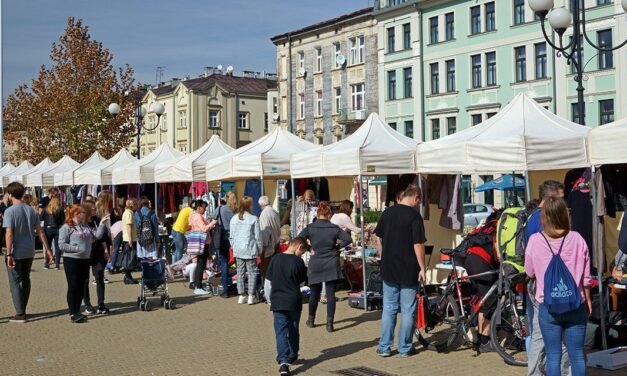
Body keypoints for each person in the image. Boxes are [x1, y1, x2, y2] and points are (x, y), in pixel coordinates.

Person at [524, 197, 591, 376]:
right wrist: (588, 300)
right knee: (577, 355)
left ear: (544, 216)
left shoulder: (535, 240)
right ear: (564, 214)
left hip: (548, 306)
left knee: (553, 356)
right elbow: (586, 277)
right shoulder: (577, 239)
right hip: (576, 304)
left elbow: (529, 272)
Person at [525, 180, 571, 376]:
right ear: (550, 198)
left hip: (538, 283)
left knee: (539, 334)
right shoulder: (540, 220)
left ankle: (536, 371)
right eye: (560, 198)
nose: (564, 204)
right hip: (547, 284)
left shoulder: (532, 217)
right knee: (557, 335)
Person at [374, 184, 426, 357]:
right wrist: (423, 268)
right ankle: (404, 348)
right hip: (409, 269)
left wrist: (384, 256)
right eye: (419, 200)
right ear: (416, 197)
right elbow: (418, 244)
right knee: (407, 310)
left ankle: (384, 347)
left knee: (389, 308)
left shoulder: (387, 212)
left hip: (389, 268)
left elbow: (378, 237)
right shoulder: (414, 216)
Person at [3, 182, 53, 323]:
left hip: (16, 251)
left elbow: (9, 233)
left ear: (10, 194)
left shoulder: (9, 211)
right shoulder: (31, 210)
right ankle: (22, 309)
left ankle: (20, 313)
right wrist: (48, 250)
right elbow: (40, 230)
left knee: (14, 281)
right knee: (25, 279)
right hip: (29, 250)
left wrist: (8, 254)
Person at [298, 202, 352, 333]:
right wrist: (336, 248)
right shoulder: (334, 228)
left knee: (314, 294)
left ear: (317, 214)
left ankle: (311, 320)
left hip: (315, 261)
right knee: (330, 294)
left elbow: (299, 239)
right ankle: (330, 324)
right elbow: (348, 239)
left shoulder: (310, 227)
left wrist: (309, 248)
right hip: (331, 260)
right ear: (329, 214)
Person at [58, 204, 110, 323]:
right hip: (72, 260)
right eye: (83, 212)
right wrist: (75, 249)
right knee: (73, 286)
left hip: (84, 260)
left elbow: (96, 237)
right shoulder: (66, 228)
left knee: (82, 285)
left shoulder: (85, 227)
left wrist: (102, 224)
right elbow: (61, 245)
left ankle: (78, 310)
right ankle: (73, 312)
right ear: (76, 213)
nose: (85, 214)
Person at [267, 237, 308, 376]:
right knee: (293, 328)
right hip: (293, 300)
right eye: (301, 252)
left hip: (278, 301)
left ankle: (283, 362)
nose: (301, 255)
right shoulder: (299, 262)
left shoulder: (275, 259)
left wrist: (269, 300)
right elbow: (302, 284)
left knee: (280, 332)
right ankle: (293, 354)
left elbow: (268, 283)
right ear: (299, 247)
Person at [229, 196, 262, 305]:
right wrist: (259, 249)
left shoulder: (234, 218)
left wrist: (233, 246)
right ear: (250, 205)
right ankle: (251, 296)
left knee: (240, 272)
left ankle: (242, 295)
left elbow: (231, 236)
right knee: (252, 273)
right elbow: (258, 237)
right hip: (250, 248)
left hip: (238, 249)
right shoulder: (253, 219)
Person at [82, 201, 110, 315]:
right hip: (85, 254)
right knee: (84, 280)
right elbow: (95, 236)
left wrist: (106, 250)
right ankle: (87, 304)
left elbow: (102, 237)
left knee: (99, 276)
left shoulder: (97, 220)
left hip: (97, 252)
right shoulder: (82, 223)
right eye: (93, 209)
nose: (95, 210)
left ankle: (101, 304)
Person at [211, 191, 237, 298]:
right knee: (239, 263)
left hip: (223, 238)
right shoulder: (235, 209)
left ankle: (225, 289)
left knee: (224, 263)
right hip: (235, 238)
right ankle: (240, 287)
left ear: (226, 198)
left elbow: (213, 217)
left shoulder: (221, 208)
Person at [189, 200, 215, 295]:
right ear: (199, 207)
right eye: (204, 207)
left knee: (200, 263)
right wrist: (212, 223)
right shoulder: (198, 216)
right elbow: (204, 229)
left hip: (199, 242)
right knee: (201, 264)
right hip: (202, 243)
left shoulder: (193, 215)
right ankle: (198, 286)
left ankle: (197, 285)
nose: (205, 210)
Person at [259, 195, 281, 279]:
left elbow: (265, 232)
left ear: (261, 205)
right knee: (275, 271)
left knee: (266, 273)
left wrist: (263, 248)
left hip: (269, 247)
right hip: (276, 243)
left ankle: (267, 290)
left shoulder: (264, 214)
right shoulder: (274, 212)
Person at [43, 195, 64, 270]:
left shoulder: (46, 209)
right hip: (57, 229)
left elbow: (41, 218)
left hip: (48, 229)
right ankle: (57, 265)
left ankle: (47, 264)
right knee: (57, 247)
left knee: (48, 247)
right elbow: (62, 221)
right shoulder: (60, 209)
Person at [120, 199, 139, 284]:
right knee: (130, 258)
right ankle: (127, 276)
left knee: (130, 258)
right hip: (129, 239)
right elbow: (129, 227)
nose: (136, 206)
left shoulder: (129, 213)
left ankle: (128, 276)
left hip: (130, 238)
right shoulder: (128, 213)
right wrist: (130, 240)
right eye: (135, 204)